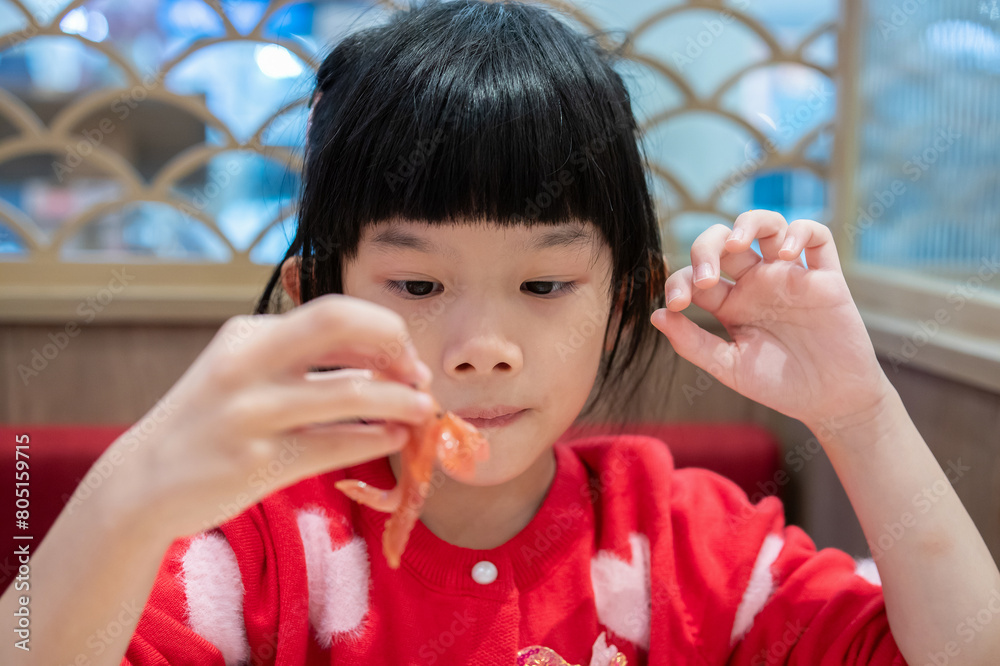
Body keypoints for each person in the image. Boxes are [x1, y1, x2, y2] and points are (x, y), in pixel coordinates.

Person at [4, 0, 999, 664]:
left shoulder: (690, 548)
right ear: (321, 296)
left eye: (542, 281)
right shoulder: (261, 551)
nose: (483, 344)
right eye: (418, 281)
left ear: (622, 299)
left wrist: (860, 413)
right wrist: (134, 494)